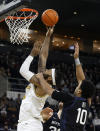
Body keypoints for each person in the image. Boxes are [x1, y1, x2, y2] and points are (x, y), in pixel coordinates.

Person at [36, 43, 96, 131]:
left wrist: (40, 77)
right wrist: (76, 59)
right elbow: (82, 81)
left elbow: (49, 90)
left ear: (79, 91)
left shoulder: (70, 99)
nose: (76, 86)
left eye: (78, 86)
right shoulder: (87, 103)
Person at [17, 27, 55, 131]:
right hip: (26, 124)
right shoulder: (42, 81)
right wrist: (47, 36)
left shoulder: (43, 85)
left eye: (49, 71)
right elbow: (43, 56)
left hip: (31, 125)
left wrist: (32, 54)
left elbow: (23, 71)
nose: (47, 69)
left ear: (50, 79)